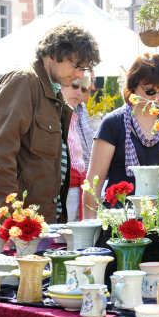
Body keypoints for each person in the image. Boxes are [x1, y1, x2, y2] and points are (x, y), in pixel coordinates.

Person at [0, 22, 100, 223]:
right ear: (54, 53)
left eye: (85, 68)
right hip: (21, 224)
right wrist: (12, 219)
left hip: (41, 221)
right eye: (77, 65)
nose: (80, 74)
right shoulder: (24, 81)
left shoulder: (52, 90)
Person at [82, 54, 159, 219]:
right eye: (150, 91)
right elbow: (94, 181)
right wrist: (90, 227)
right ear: (134, 86)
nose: (156, 98)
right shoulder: (113, 123)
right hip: (120, 219)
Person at [62, 75, 93, 221]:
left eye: (83, 89)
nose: (79, 92)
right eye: (75, 86)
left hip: (80, 184)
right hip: (63, 186)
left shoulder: (79, 109)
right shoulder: (55, 114)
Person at [76, 70, 96, 169]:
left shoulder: (82, 107)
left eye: (93, 80)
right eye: (90, 81)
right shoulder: (62, 110)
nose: (93, 87)